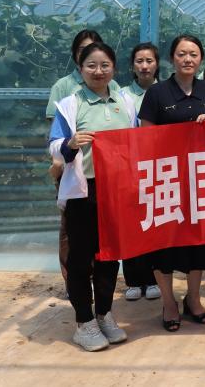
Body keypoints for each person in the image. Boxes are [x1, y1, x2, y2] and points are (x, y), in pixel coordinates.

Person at [48, 42, 137, 351]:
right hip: (83, 191)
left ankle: (104, 314)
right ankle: (84, 322)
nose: (99, 71)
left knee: (109, 255)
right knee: (80, 258)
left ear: (114, 68)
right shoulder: (70, 105)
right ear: (80, 68)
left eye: (105, 65)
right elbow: (54, 144)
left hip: (116, 190)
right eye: (91, 66)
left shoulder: (126, 101)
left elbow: (136, 140)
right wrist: (70, 144)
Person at [138, 34, 205, 332]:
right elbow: (145, 138)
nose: (188, 59)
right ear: (172, 58)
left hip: (199, 178)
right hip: (166, 180)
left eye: (194, 54)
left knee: (197, 242)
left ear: (201, 59)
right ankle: (169, 302)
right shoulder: (157, 93)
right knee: (164, 243)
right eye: (182, 54)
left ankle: (194, 298)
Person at [45, 29, 110, 296]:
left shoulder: (117, 93)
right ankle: (74, 285)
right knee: (72, 234)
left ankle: (102, 299)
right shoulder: (64, 89)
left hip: (108, 180)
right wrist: (58, 160)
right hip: (74, 171)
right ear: (77, 58)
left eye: (103, 62)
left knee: (104, 239)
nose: (97, 69)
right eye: (85, 52)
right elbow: (57, 131)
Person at [119, 43, 162, 302]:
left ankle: (154, 278)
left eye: (149, 61)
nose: (144, 66)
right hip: (129, 168)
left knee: (155, 222)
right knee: (131, 223)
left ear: (157, 64)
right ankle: (134, 279)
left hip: (158, 168)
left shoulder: (165, 92)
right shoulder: (121, 95)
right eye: (139, 61)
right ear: (132, 65)